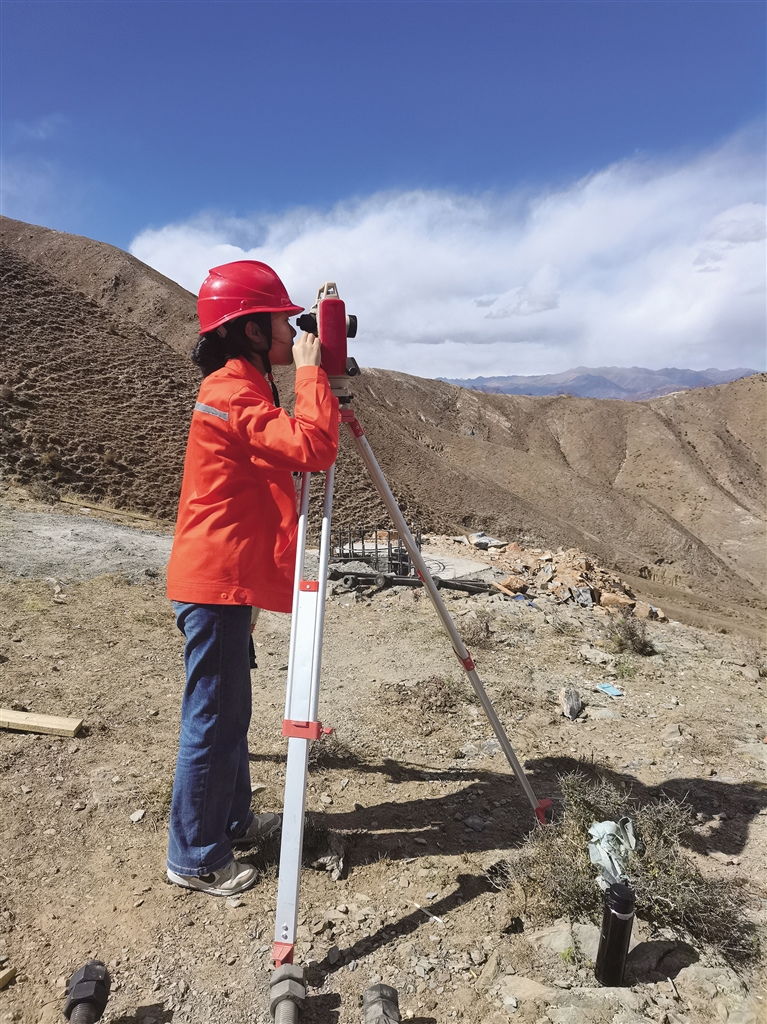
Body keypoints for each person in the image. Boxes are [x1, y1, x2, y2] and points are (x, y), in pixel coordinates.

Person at [165, 260, 339, 896]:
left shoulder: (244, 388)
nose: (290, 330)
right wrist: (313, 372)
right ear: (249, 331)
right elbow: (314, 447)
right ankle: (194, 857)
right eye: (280, 320)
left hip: (224, 580)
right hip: (215, 583)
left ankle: (231, 821)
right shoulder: (231, 394)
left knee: (229, 712)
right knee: (213, 718)